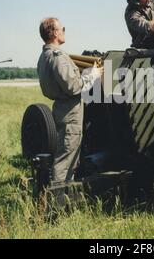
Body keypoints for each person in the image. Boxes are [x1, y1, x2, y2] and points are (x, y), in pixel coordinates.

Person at [37, 17, 103, 182]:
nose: (64, 32)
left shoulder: (45, 55)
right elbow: (73, 87)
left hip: (62, 108)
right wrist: (93, 75)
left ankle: (63, 192)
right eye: (63, 29)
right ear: (54, 32)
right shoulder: (58, 56)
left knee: (68, 154)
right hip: (70, 111)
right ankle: (56, 199)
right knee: (65, 157)